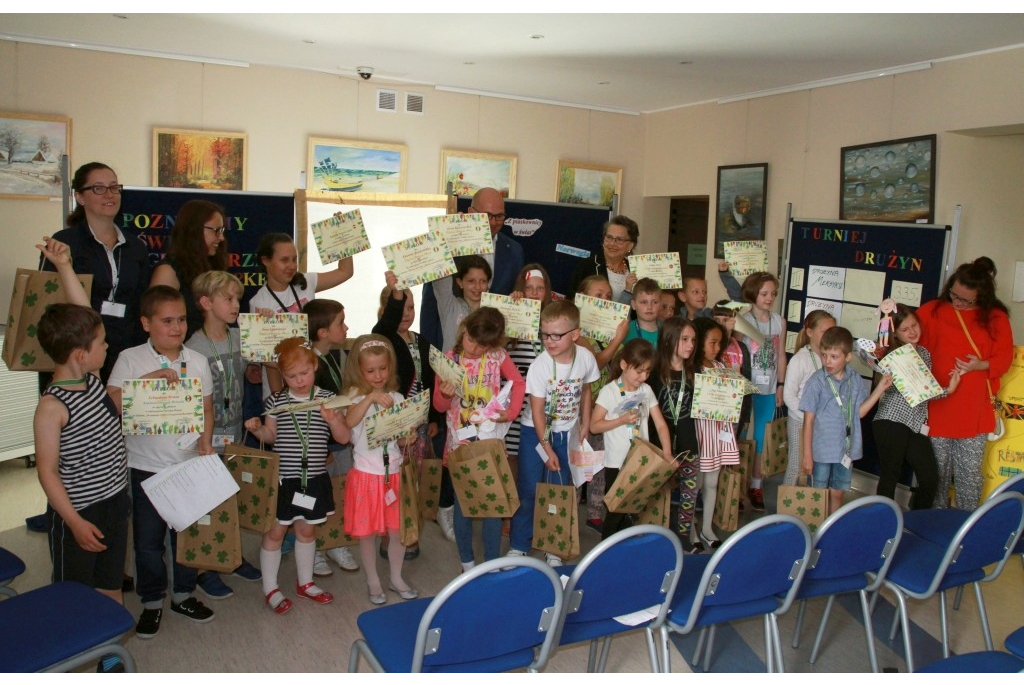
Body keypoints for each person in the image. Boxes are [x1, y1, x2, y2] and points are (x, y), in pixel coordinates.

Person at [33, 238, 131, 673]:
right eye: (102, 343)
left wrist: (65, 264)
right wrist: (73, 521)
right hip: (80, 511)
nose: (107, 347)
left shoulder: (90, 380)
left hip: (114, 501)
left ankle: (109, 654)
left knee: (111, 581)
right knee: (75, 590)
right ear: (79, 355)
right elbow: (48, 472)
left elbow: (84, 313)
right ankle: (70, 657)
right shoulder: (52, 406)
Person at [107, 286, 215, 639]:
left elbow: (208, 408)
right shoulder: (129, 358)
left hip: (186, 464)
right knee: (148, 541)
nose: (177, 327)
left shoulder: (197, 361)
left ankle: (183, 594)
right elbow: (113, 404)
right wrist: (147, 383)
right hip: (144, 466)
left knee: (186, 535)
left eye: (181, 319)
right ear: (146, 324)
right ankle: (152, 600)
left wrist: (205, 444)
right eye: (167, 321)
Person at [243, 337, 351, 614]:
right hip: (285, 480)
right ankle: (271, 588)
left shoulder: (328, 399)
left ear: (314, 365)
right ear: (282, 375)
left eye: (304, 373)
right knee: (276, 531)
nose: (299, 380)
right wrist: (257, 430)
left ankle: (305, 583)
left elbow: (343, 437)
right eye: (291, 376)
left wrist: (334, 420)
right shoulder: (275, 401)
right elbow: (270, 436)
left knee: (307, 529)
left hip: (314, 478)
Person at [185, 271, 263, 599]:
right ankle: (205, 567)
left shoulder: (239, 336)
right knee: (207, 501)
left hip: (235, 432)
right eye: (228, 299)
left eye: (237, 298)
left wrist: (266, 344)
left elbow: (253, 376)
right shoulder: (193, 346)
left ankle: (231, 556)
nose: (236, 304)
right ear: (206, 303)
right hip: (207, 437)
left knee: (231, 496)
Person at [433, 307, 526, 572]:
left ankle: (492, 564)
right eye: (471, 341)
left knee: (494, 506)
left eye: (482, 345)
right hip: (459, 445)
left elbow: (519, 383)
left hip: (490, 442)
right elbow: (439, 407)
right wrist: (444, 393)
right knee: (464, 506)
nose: (474, 349)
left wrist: (509, 413)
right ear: (464, 330)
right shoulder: (448, 360)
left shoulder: (497, 356)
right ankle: (467, 563)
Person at [508, 301, 600, 566]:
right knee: (529, 488)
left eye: (556, 335)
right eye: (545, 334)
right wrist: (546, 448)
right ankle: (519, 544)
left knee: (559, 489)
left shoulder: (585, 357)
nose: (549, 341)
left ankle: (554, 544)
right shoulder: (540, 366)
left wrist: (584, 421)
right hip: (534, 434)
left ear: (575, 334)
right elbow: (536, 412)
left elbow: (585, 389)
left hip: (567, 433)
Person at [917, 257, 1012, 510]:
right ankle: (934, 526)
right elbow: (907, 337)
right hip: (937, 405)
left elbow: (1004, 358)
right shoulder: (933, 310)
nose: (957, 303)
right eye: (954, 295)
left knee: (969, 478)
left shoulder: (995, 317)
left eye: (965, 300)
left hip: (974, 409)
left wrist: (979, 365)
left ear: (981, 297)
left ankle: (967, 528)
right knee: (934, 476)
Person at [44, 162, 151, 383]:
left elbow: (141, 302)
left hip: (125, 351)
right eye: (98, 188)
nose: (109, 194)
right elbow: (51, 305)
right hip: (77, 353)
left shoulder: (136, 247)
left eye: (114, 187)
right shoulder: (65, 242)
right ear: (80, 197)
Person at [341, 334, 421, 605]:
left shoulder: (397, 397)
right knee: (367, 534)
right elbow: (350, 422)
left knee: (397, 530)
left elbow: (398, 438)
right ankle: (373, 580)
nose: (378, 376)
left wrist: (406, 437)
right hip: (366, 475)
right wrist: (369, 398)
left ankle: (395, 577)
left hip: (394, 474)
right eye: (370, 371)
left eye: (383, 369)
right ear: (359, 371)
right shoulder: (353, 397)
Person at [373, 273, 442, 560]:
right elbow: (386, 326)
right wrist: (396, 294)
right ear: (386, 310)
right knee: (393, 481)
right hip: (394, 423)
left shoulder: (423, 341)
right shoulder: (383, 338)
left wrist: (435, 417)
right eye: (399, 307)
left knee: (414, 480)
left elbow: (433, 379)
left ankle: (410, 534)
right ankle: (390, 538)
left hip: (420, 425)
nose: (406, 313)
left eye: (411, 308)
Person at [874, 304, 960, 509]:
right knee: (890, 476)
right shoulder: (891, 354)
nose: (912, 331)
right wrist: (948, 390)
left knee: (929, 477)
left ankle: (915, 521)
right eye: (905, 329)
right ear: (895, 333)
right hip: (891, 420)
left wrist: (947, 388)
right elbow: (916, 390)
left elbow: (924, 391)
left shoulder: (924, 353)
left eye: (914, 325)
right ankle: (882, 523)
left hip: (915, 423)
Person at [249, 232, 355, 395]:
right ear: (266, 261)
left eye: (294, 259)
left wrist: (342, 235)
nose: (291, 265)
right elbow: (267, 358)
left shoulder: (305, 282)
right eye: (284, 260)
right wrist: (279, 400)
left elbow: (345, 272)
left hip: (314, 380)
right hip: (283, 388)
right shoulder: (259, 303)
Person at [800, 327, 891, 515]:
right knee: (818, 494)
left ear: (848, 357)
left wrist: (880, 389)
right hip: (821, 451)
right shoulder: (817, 381)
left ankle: (832, 527)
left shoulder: (855, 379)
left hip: (845, 450)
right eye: (824, 355)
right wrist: (807, 454)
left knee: (838, 492)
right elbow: (808, 420)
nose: (827, 361)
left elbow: (859, 413)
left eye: (834, 356)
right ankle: (815, 531)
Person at [420, 187, 525, 347]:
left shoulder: (515, 251)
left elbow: (513, 301)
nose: (493, 222)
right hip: (450, 346)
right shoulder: (449, 244)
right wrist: (427, 347)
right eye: (487, 215)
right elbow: (431, 300)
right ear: (470, 212)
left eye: (499, 216)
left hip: (491, 350)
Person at [301, 298, 360, 575]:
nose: (346, 327)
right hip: (321, 446)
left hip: (340, 441)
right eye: (340, 323)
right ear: (322, 332)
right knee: (318, 497)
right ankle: (315, 550)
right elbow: (310, 411)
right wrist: (319, 447)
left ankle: (335, 542)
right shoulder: (308, 363)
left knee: (339, 494)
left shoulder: (334, 356)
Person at [590, 339, 672, 539]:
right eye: (639, 371)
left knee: (633, 508)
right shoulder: (609, 391)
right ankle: (606, 550)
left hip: (639, 460)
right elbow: (594, 426)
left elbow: (660, 424)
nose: (643, 377)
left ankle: (623, 548)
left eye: (647, 372)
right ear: (624, 365)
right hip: (616, 463)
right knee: (615, 510)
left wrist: (667, 454)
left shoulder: (646, 391)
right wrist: (621, 420)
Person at [575, 275, 630, 531]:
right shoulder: (576, 330)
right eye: (599, 295)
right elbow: (593, 364)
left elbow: (615, 369)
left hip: (602, 405)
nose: (605, 300)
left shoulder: (609, 332)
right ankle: (571, 511)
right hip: (577, 406)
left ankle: (595, 511)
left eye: (609, 296)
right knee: (578, 459)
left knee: (600, 456)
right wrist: (618, 340)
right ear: (584, 298)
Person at [735, 271, 787, 511]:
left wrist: (781, 385)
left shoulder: (779, 321)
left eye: (773, 294)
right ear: (753, 294)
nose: (769, 298)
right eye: (764, 293)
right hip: (746, 387)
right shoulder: (743, 320)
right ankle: (736, 486)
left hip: (768, 387)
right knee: (740, 435)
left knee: (760, 438)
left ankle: (756, 484)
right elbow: (735, 353)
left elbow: (780, 354)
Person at [691, 317, 740, 551]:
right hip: (699, 434)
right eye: (712, 343)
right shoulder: (692, 370)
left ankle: (707, 528)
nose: (717, 348)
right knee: (695, 484)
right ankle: (690, 528)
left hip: (717, 433)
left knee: (712, 482)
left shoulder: (721, 368)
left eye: (720, 343)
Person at [649, 317, 699, 541]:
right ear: (669, 340)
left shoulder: (695, 373)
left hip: (689, 443)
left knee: (689, 494)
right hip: (660, 446)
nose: (690, 345)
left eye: (693, 340)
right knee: (658, 494)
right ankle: (657, 536)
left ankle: (684, 536)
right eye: (685, 339)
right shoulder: (653, 373)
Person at [150, 199, 230, 337]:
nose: (221, 237)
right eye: (216, 230)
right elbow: (158, 324)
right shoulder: (168, 272)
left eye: (222, 230)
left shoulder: (213, 266)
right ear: (194, 230)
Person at [505, 264, 554, 482]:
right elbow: (494, 346)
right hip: (517, 401)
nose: (534, 293)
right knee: (512, 459)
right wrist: (509, 312)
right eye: (529, 287)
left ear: (547, 292)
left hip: (544, 401)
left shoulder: (553, 323)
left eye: (540, 288)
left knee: (539, 458)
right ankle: (511, 515)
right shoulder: (512, 321)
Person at [783, 310, 836, 487]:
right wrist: (808, 416)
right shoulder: (800, 359)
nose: (829, 336)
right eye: (824, 331)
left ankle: (808, 509)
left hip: (823, 423)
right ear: (810, 332)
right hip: (800, 421)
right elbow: (789, 396)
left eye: (832, 331)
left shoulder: (832, 358)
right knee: (796, 467)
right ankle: (787, 509)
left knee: (817, 469)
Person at [569, 215, 640, 302]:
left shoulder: (636, 269)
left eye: (619, 239)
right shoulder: (587, 266)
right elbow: (571, 300)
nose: (612, 243)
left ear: (630, 245)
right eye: (609, 237)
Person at [433, 255, 491, 353]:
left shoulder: (493, 313)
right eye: (471, 281)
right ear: (460, 282)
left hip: (483, 368)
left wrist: (516, 302)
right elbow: (440, 271)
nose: (478, 287)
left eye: (483, 281)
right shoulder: (450, 305)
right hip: (452, 367)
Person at [624, 277, 662, 344]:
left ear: (660, 305)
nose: (649, 307)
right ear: (633, 305)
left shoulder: (668, 330)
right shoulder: (625, 331)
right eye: (644, 302)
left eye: (655, 302)